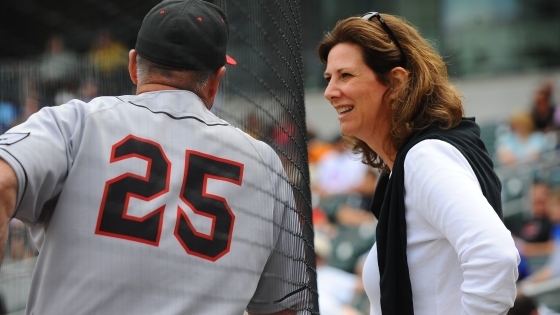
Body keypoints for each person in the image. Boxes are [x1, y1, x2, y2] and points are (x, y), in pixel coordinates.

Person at [0, 1, 311, 314]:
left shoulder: (76, 122)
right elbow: (284, 307)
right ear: (216, 80)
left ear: (134, 65)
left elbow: (2, 183)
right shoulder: (264, 162)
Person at [318, 11, 520, 315]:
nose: (330, 92)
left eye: (345, 75)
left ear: (397, 81)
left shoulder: (425, 158)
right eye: (328, 78)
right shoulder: (413, 161)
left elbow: (495, 257)